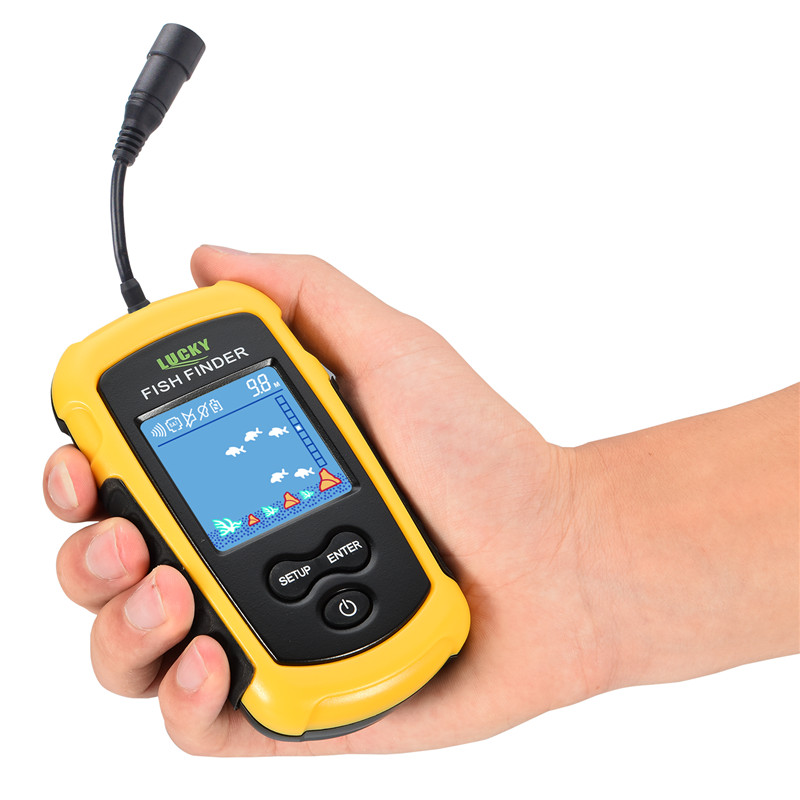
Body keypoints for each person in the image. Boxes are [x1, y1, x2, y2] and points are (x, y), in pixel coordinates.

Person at [43, 246, 799, 756]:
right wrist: (569, 558)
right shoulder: (231, 322)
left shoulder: (241, 317)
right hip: (350, 641)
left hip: (399, 625)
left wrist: (565, 550)